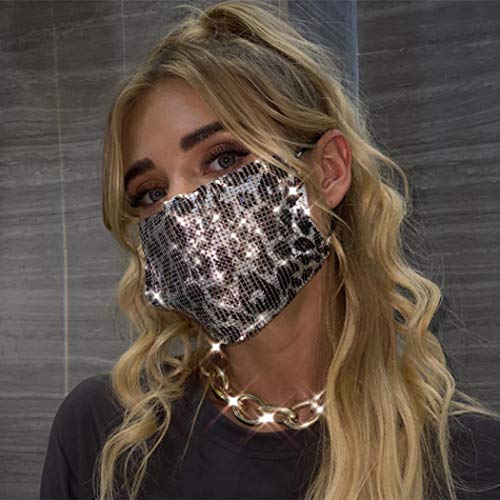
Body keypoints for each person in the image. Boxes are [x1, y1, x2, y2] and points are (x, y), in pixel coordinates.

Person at [40, 1, 500, 499]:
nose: (180, 212)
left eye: (223, 159)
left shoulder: (472, 465)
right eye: (151, 192)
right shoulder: (107, 435)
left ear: (328, 172)